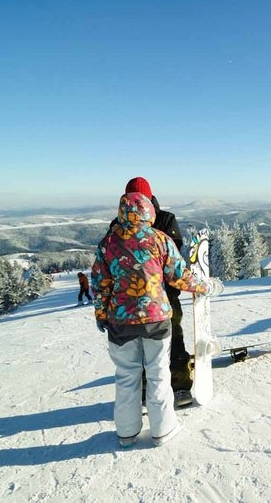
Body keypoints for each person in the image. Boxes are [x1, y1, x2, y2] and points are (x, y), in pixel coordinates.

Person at [93, 191, 224, 448]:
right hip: (155, 317)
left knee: (127, 375)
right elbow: (180, 277)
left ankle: (127, 432)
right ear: (149, 211)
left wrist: (101, 314)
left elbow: (100, 284)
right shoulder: (160, 240)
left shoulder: (107, 243)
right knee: (158, 373)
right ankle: (163, 429)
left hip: (120, 321)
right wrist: (207, 287)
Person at [115, 177, 193, 406]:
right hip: (131, 299)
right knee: (136, 347)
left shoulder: (165, 220)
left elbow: (174, 258)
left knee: (173, 338)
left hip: (163, 294)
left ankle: (179, 385)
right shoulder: (118, 225)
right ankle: (145, 389)